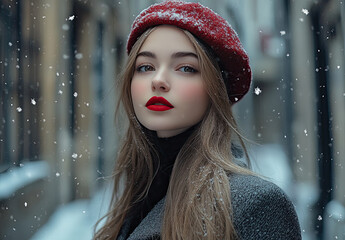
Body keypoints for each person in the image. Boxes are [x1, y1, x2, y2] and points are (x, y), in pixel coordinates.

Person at [94, 1, 302, 239]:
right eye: (145, 66)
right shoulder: (135, 199)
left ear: (215, 90)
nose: (158, 80)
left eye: (185, 68)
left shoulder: (255, 205)